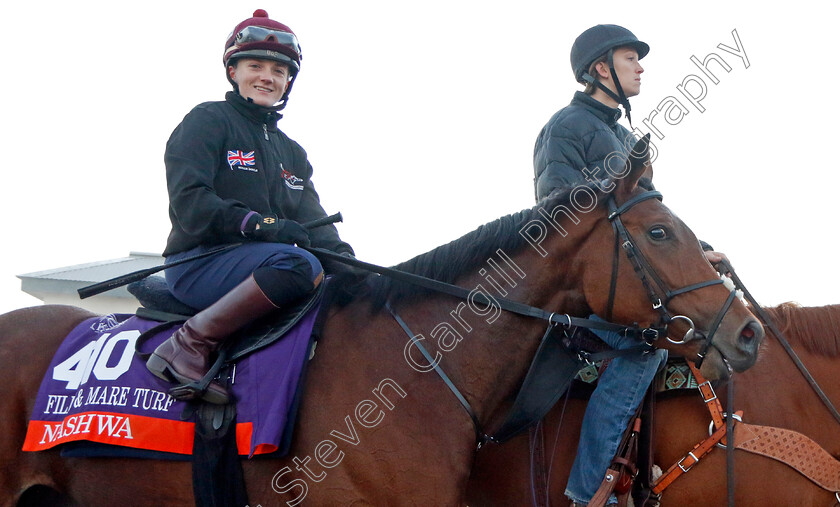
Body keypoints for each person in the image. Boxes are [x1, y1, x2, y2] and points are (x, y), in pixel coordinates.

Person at [146, 9, 355, 405]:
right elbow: (190, 202)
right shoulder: (208, 120)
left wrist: (361, 277)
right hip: (199, 261)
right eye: (255, 65)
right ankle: (187, 344)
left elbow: (317, 227)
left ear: (287, 81)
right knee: (298, 265)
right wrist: (262, 224)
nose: (267, 77)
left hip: (263, 264)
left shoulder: (293, 152)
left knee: (337, 284)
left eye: (278, 71)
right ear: (233, 72)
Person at [533, 24, 667, 506]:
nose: (641, 66)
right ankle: (589, 491)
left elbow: (652, 218)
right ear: (600, 68)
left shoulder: (626, 137)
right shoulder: (567, 126)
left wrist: (700, 252)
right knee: (644, 346)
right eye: (631, 58)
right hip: (576, 288)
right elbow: (556, 211)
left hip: (624, 282)